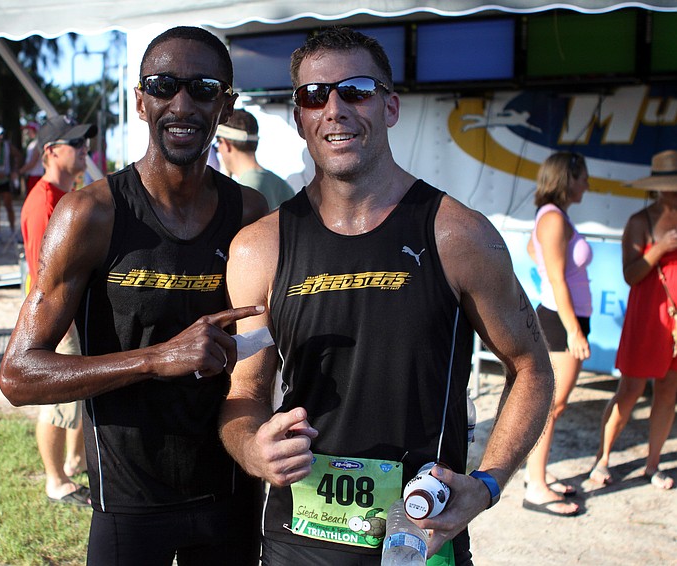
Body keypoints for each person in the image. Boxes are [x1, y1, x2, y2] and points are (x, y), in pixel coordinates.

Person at [217, 27, 554, 566]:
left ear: (390, 106)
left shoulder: (460, 237)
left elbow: (532, 367)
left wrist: (487, 484)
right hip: (297, 539)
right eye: (313, 95)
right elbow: (244, 393)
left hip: (420, 537)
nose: (334, 108)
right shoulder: (259, 249)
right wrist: (253, 449)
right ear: (301, 117)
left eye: (355, 90)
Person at [0, 26, 269, 565]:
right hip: (128, 501)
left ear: (226, 103)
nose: (182, 104)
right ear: (140, 102)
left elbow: (267, 343)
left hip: (230, 491)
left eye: (203, 87)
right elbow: (19, 375)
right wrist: (154, 359)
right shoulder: (89, 214)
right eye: (164, 85)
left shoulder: (251, 214)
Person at [589, 150, 677, 491]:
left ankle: (652, 465)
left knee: (668, 392)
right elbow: (631, 274)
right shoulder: (640, 221)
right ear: (657, 186)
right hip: (649, 319)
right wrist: (660, 247)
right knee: (630, 390)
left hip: (674, 324)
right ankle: (603, 458)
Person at [21, 115, 97, 507]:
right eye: (75, 143)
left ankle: (75, 462)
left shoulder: (67, 195)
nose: (84, 148)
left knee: (77, 394)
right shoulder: (43, 202)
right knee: (57, 399)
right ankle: (55, 480)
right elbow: (42, 276)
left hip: (72, 311)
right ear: (51, 151)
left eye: (84, 142)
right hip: (58, 319)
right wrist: (60, 328)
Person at [522, 152, 592, 516]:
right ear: (568, 177)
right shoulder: (552, 218)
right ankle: (536, 486)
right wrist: (575, 331)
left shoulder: (552, 217)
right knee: (552, 406)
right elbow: (556, 279)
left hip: (562, 319)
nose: (588, 184)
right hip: (560, 322)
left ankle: (537, 476)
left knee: (552, 405)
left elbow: (535, 252)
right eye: (583, 177)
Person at [215, 109, 295, 210]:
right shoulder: (282, 185)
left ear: (226, 144)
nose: (218, 149)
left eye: (218, 143)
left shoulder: (244, 191)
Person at [18, 122, 45, 194]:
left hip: (36, 177)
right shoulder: (33, 143)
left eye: (29, 130)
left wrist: (20, 171)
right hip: (32, 176)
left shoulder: (37, 144)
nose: (27, 132)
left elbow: (32, 162)